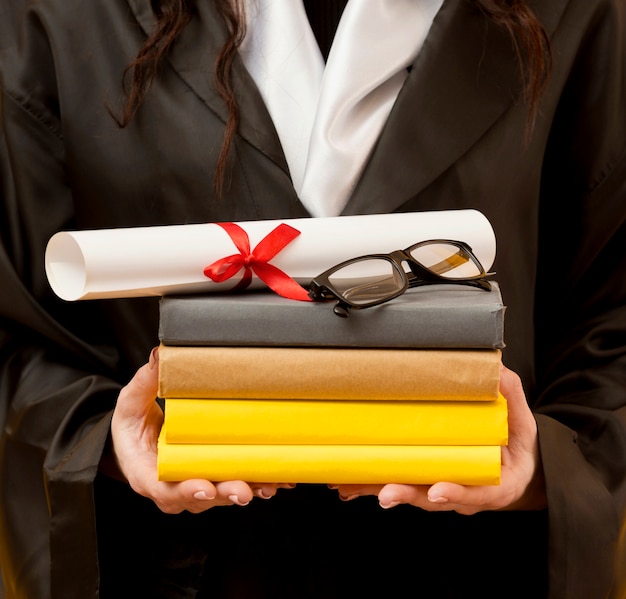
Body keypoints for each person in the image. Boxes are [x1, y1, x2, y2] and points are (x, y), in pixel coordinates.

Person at [0, 0, 625, 597]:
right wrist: (105, 438)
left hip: (469, 567)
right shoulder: (57, 18)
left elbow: (613, 321)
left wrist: (544, 462)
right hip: (185, 571)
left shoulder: (578, 13)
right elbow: (16, 334)